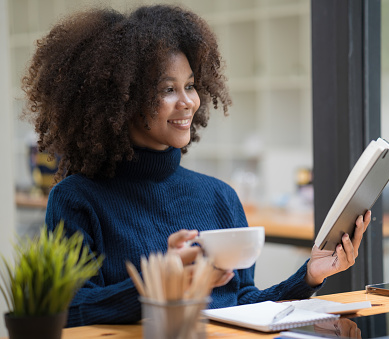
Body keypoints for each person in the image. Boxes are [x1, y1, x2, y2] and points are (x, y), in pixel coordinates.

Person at [21, 4, 371, 327]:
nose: (188, 101)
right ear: (122, 100)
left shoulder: (220, 198)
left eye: (189, 85)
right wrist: (163, 282)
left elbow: (241, 303)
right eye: (167, 89)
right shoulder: (77, 200)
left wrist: (308, 276)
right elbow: (71, 311)